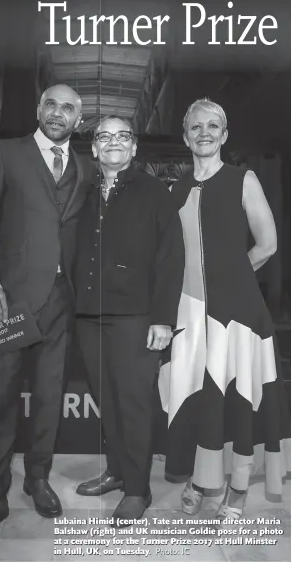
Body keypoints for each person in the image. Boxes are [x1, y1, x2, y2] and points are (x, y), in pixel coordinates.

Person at [0, 84, 93, 551]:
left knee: (50, 397)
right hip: (9, 300)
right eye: (51, 104)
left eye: (68, 108)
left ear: (79, 119)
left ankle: (38, 479)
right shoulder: (6, 154)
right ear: (38, 109)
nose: (58, 113)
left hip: (62, 301)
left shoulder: (85, 167)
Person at [158, 98, 291, 520]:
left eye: (213, 126)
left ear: (224, 134)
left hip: (239, 314)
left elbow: (267, 245)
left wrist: (233, 276)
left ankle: (237, 489)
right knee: (203, 399)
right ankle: (203, 480)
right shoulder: (175, 189)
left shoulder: (242, 180)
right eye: (196, 126)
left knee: (239, 397)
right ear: (185, 136)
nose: (204, 132)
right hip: (192, 317)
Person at [73, 116, 184, 523]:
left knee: (134, 404)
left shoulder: (155, 192)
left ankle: (138, 490)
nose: (114, 142)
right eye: (105, 136)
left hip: (137, 317)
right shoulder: (81, 192)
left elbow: (171, 259)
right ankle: (119, 471)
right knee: (108, 402)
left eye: (123, 136)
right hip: (87, 315)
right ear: (95, 149)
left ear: (134, 148)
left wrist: (163, 319)